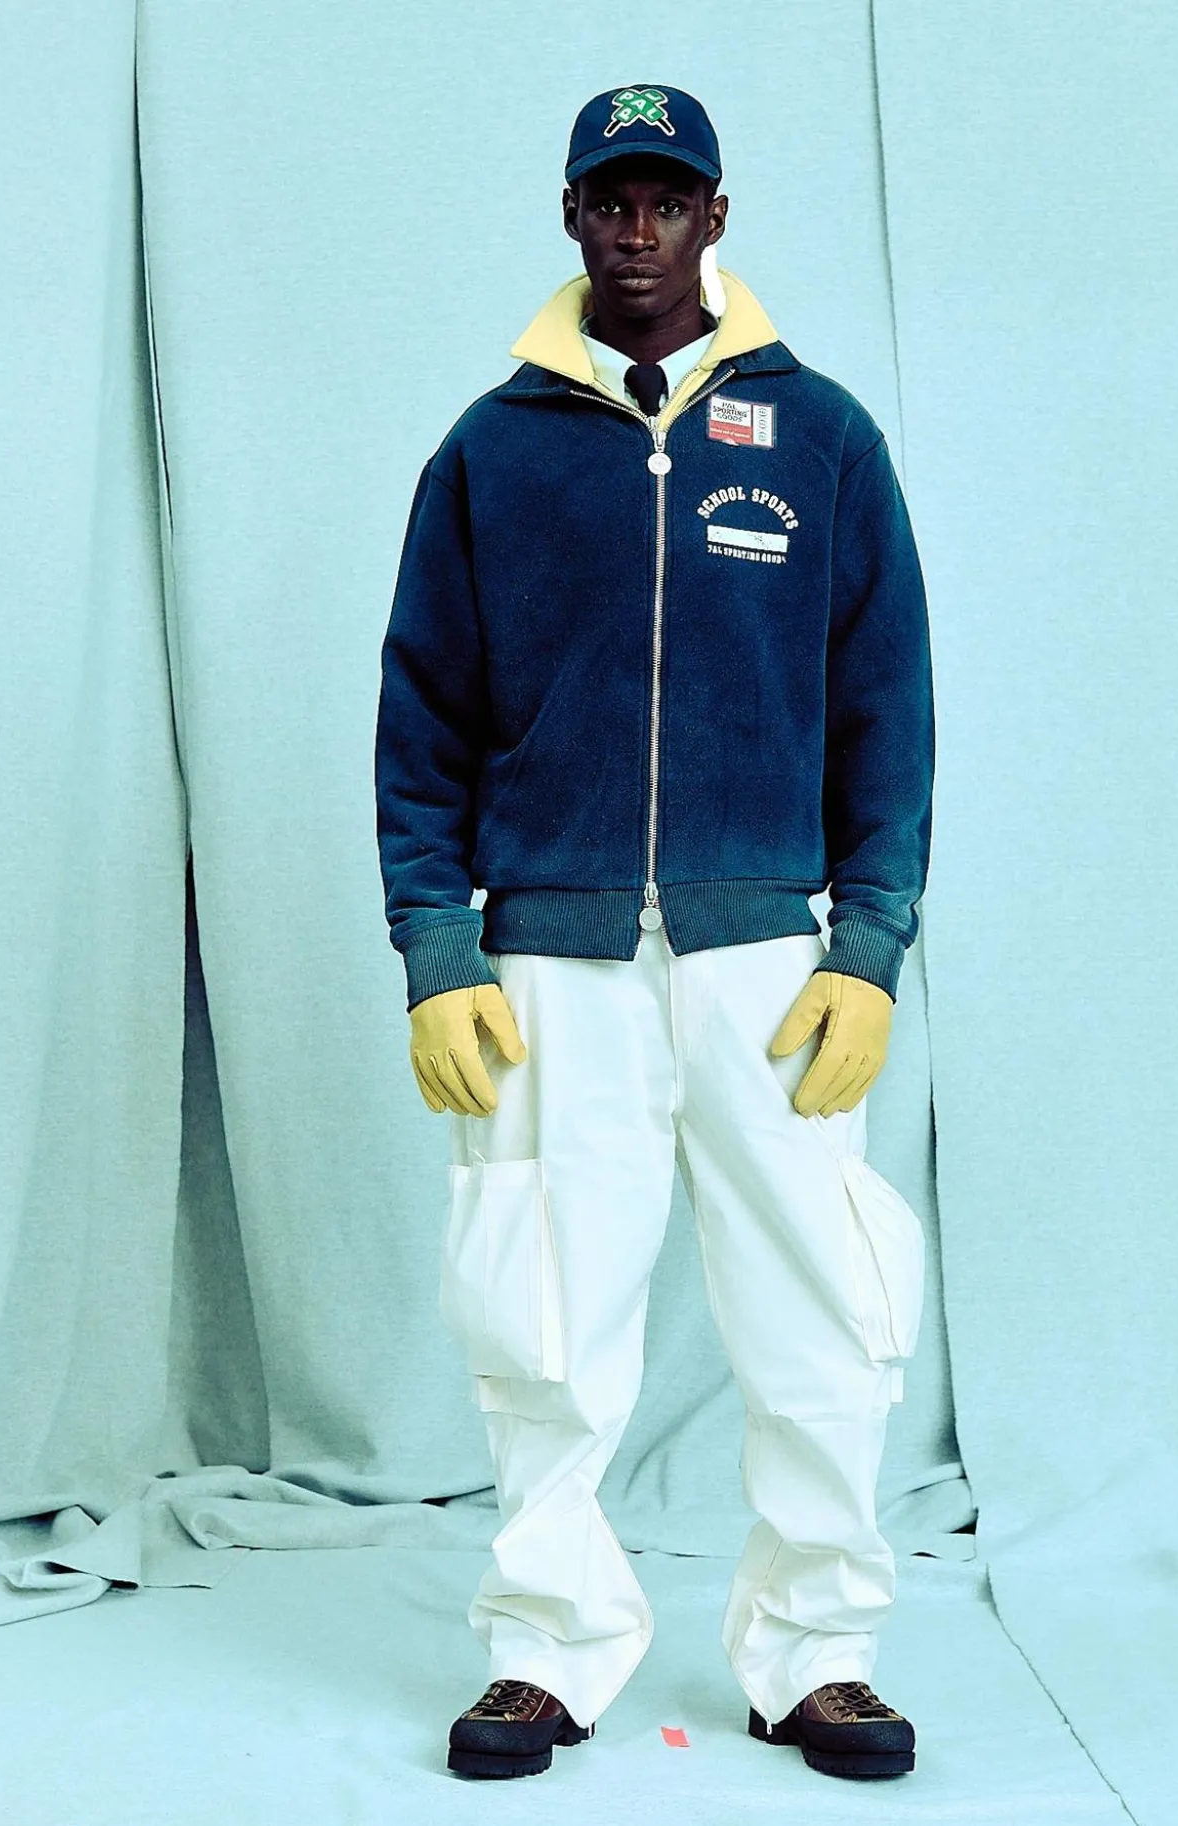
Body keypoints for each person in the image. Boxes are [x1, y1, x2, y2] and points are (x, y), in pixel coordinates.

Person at [375, 82, 935, 1784]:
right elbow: (421, 716)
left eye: (667, 202)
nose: (638, 232)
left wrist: (869, 944)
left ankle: (817, 1652)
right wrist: (439, 949)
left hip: (767, 960)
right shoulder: (491, 451)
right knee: (542, 1314)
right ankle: (546, 1647)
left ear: (715, 217)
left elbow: (888, 711)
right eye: (610, 201)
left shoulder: (821, 437)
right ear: (570, 215)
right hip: (550, 961)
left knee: (819, 1307)